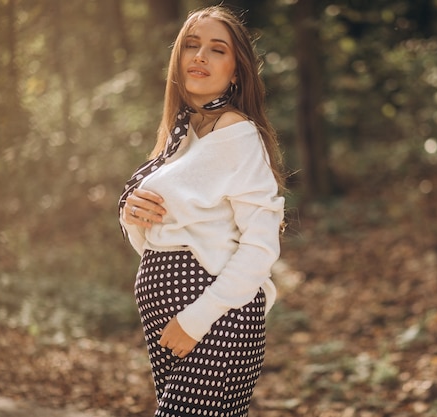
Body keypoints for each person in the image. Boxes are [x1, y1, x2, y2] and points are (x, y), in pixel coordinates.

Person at [117, 6, 285, 416]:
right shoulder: (182, 138)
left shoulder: (238, 135)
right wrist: (129, 213)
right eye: (192, 45)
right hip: (171, 321)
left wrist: (197, 319)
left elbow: (261, 246)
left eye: (216, 49)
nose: (200, 56)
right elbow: (166, 229)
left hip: (214, 321)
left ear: (237, 70)